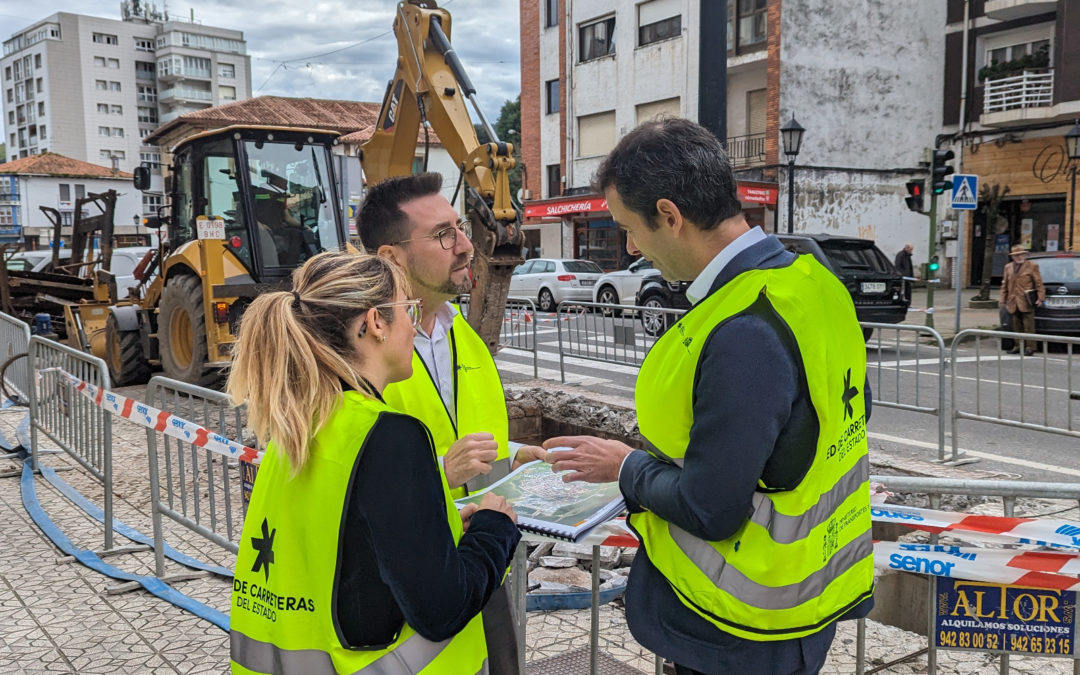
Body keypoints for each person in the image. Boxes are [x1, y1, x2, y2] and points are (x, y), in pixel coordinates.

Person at [544, 118, 875, 675]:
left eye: (631, 228)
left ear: (670, 217)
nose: (631, 247)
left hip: (738, 628)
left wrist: (627, 468)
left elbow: (709, 508)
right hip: (807, 604)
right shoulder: (815, 284)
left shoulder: (743, 328)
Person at [227, 252, 520, 674]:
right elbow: (442, 610)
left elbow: (349, 552)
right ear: (375, 323)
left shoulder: (297, 425)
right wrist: (496, 527)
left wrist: (447, 526)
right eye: (409, 309)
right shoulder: (388, 436)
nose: (415, 326)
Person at [357, 172, 543, 674]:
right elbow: (342, 470)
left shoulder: (464, 335)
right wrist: (442, 470)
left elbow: (466, 432)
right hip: (406, 584)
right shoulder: (356, 355)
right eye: (443, 234)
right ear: (390, 258)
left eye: (459, 227)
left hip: (481, 557)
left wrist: (515, 452)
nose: (465, 246)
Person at [999, 244, 1045, 356]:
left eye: (1021, 255)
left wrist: (1040, 298)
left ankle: (1030, 347)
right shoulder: (1008, 267)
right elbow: (1004, 284)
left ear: (1024, 255)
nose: (1019, 257)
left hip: (1026, 299)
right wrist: (1002, 299)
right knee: (1015, 325)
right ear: (1012, 257)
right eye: (1016, 255)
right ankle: (1018, 346)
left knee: (1029, 325)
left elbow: (1039, 283)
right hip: (1012, 300)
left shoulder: (1032, 266)